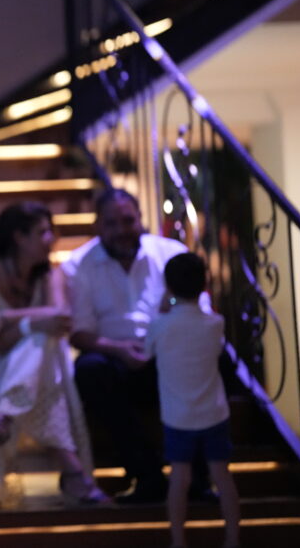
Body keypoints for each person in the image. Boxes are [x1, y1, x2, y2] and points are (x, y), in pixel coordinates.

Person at [64, 188, 212, 504]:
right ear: (97, 225)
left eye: (128, 221)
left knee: (213, 360)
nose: (121, 230)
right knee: (88, 369)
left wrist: (170, 314)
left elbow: (201, 311)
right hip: (113, 359)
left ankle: (198, 480)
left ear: (140, 219)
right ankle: (147, 476)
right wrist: (119, 349)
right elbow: (78, 333)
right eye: (111, 223)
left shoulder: (171, 253)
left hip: (170, 353)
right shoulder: (78, 265)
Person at [0, 201, 107, 507]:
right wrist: (31, 324)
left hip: (35, 373)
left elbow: (62, 317)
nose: (51, 239)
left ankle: (5, 415)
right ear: (19, 237)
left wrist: (9, 319)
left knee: (44, 341)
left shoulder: (51, 275)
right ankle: (74, 473)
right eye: (43, 232)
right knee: (41, 341)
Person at [147, 252, 239, 548]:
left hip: (178, 416)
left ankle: (178, 540)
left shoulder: (160, 326)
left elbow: (146, 352)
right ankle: (232, 538)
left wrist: (165, 306)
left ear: (168, 286)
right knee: (222, 476)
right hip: (214, 412)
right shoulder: (215, 324)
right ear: (204, 284)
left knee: (179, 478)